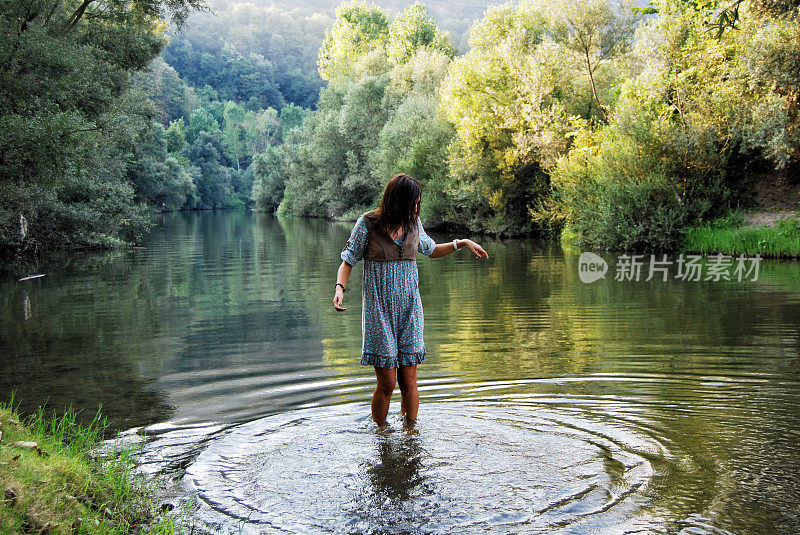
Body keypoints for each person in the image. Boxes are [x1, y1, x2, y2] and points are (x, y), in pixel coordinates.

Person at [332, 173, 489, 426]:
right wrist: (340, 288)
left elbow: (432, 250)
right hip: (378, 311)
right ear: (396, 201)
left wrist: (462, 243)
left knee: (409, 381)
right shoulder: (368, 224)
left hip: (410, 310)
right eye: (412, 203)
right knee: (387, 383)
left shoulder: (414, 223)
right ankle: (381, 436)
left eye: (418, 203)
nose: (416, 208)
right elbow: (348, 261)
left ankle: (411, 436)